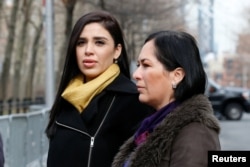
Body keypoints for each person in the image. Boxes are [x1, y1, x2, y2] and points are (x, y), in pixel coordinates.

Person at [45, 11, 153, 167]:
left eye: (99, 42)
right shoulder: (67, 98)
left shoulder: (134, 101)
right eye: (81, 42)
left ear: (117, 50)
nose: (88, 50)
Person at [112, 30, 221, 167]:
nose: (136, 74)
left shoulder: (196, 134)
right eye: (138, 65)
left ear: (176, 76)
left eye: (146, 65)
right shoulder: (151, 127)